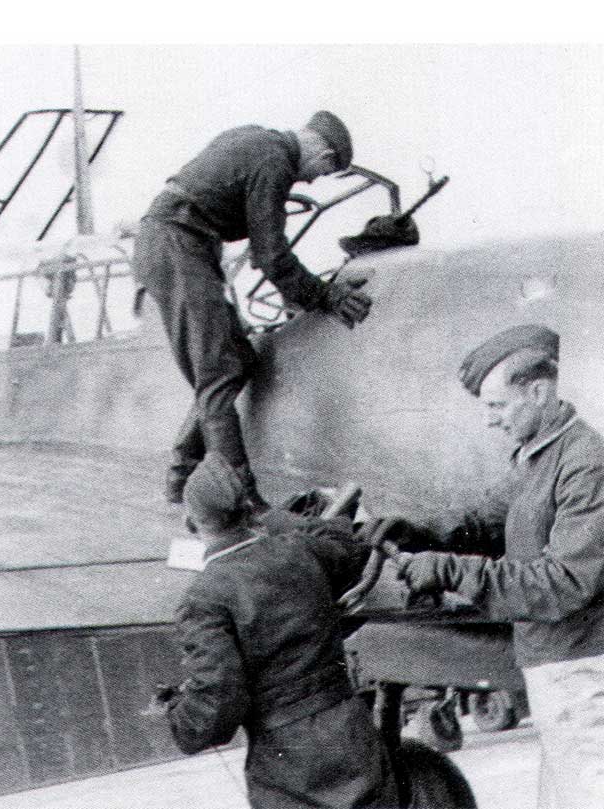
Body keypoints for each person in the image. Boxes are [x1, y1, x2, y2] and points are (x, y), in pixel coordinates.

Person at [397, 324, 604, 808]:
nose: (490, 420)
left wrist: (451, 571)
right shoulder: (539, 458)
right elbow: (492, 515)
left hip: (583, 670)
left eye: (497, 405)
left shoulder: (586, 464)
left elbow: (567, 583)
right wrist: (418, 529)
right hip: (555, 667)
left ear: (539, 392)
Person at [134, 111, 373, 506]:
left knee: (239, 358)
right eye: (323, 171)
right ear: (324, 153)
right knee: (219, 370)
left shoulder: (256, 140)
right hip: (178, 245)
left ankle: (182, 473)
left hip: (177, 243)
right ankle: (239, 500)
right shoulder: (275, 161)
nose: (311, 181)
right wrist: (326, 296)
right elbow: (270, 255)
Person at [160, 455, 397, 808]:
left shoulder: (202, 599)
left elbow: (219, 696)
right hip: (351, 733)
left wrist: (179, 716)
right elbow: (347, 544)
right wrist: (276, 519)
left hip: (288, 763)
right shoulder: (300, 550)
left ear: (190, 523)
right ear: (248, 511)